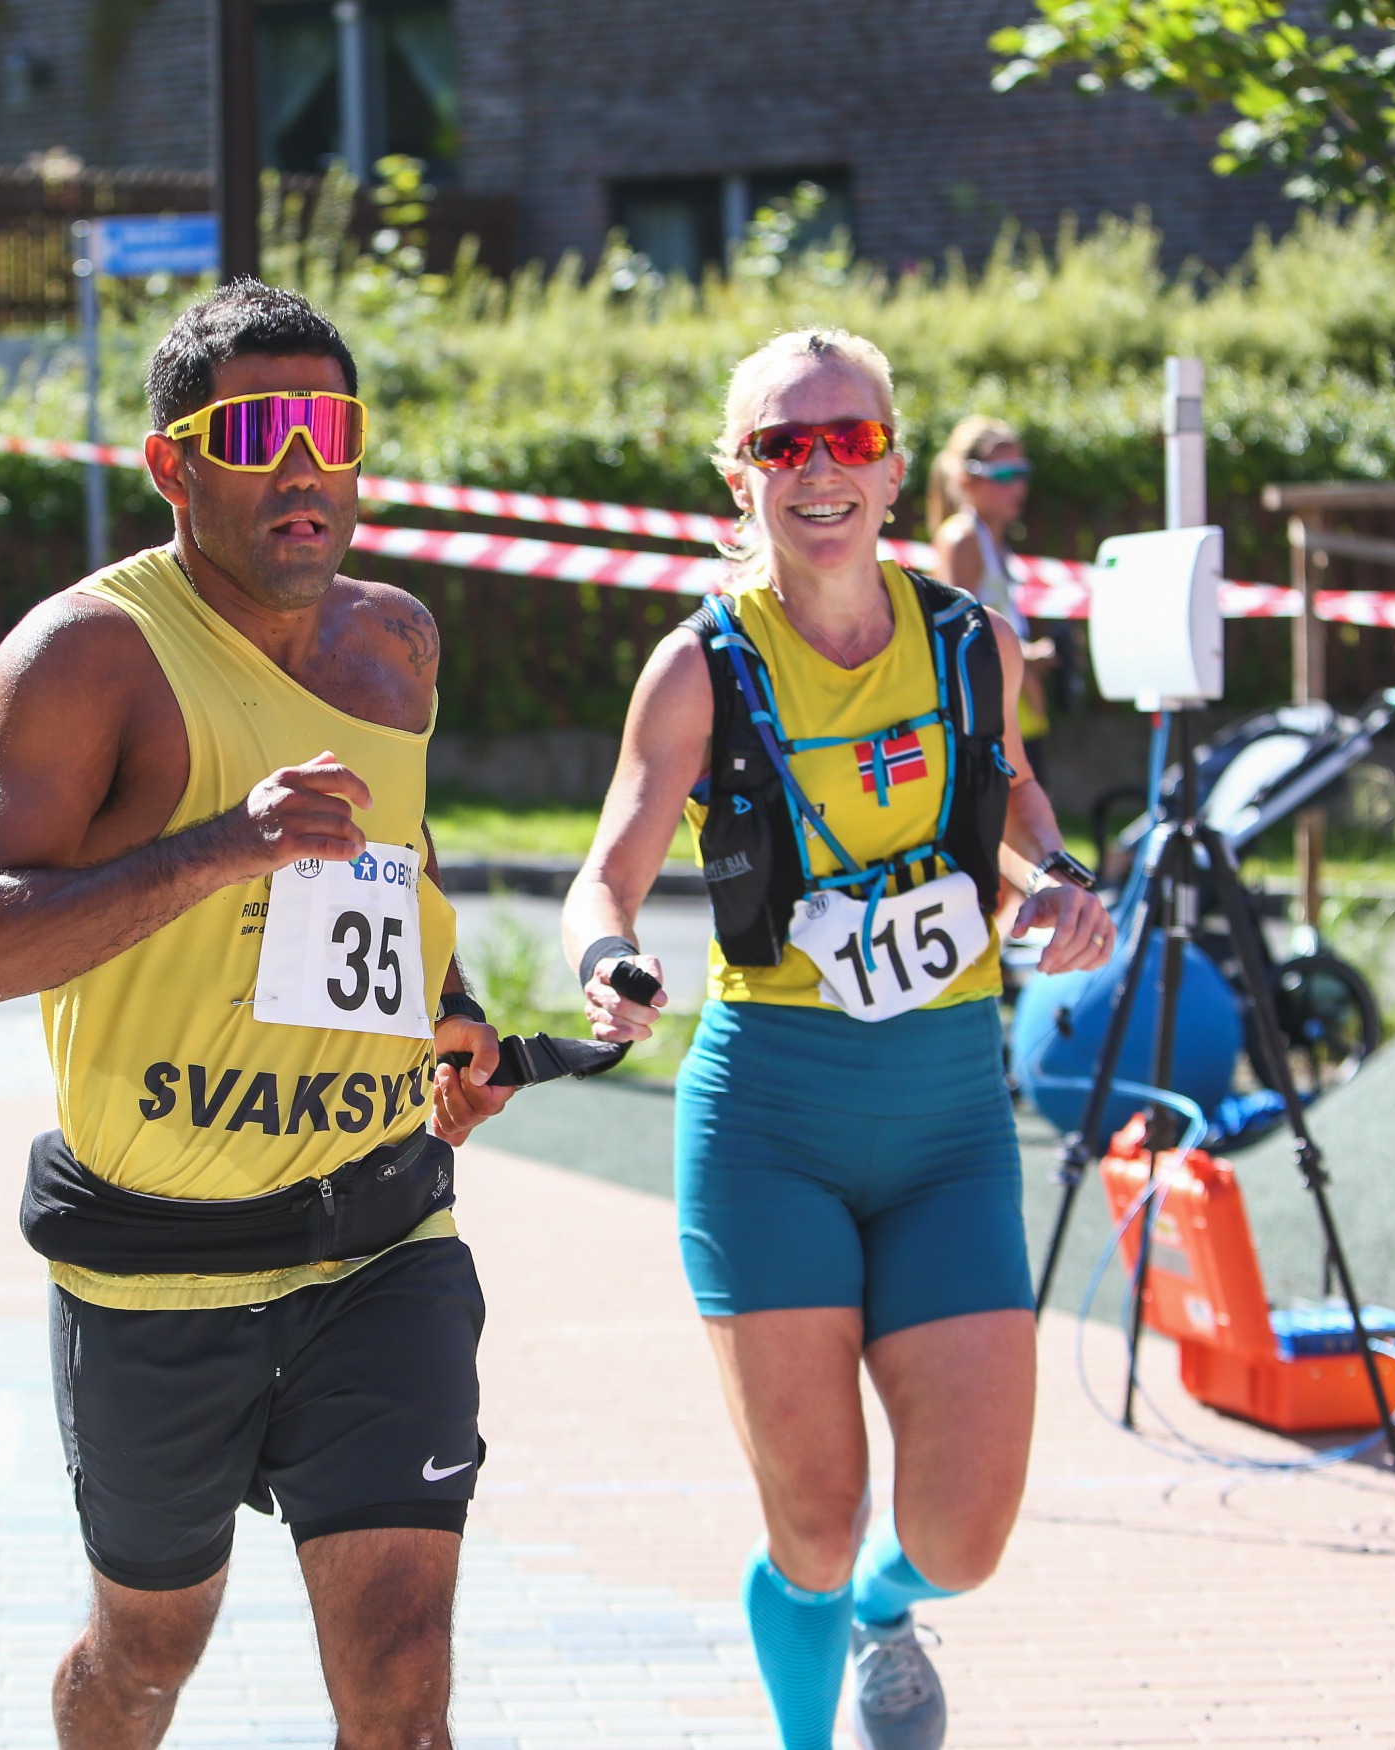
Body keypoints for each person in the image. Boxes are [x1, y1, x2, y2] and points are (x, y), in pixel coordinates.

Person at [0, 279, 513, 1750]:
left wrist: (449, 1008)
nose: (303, 465)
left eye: (332, 428)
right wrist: (215, 849)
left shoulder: (395, 643)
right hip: (156, 1267)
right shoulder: (88, 653)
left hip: (379, 1235)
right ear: (172, 465)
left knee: (404, 1684)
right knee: (144, 1657)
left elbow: (396, 866)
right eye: (257, 433)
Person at [561, 330, 1113, 1750]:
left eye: (849, 438)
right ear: (738, 478)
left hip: (946, 1123)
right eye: (782, 443)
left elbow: (1014, 803)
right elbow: (605, 873)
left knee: (964, 1537)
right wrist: (610, 961)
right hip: (772, 1126)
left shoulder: (970, 640)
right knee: (811, 1522)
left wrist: (1056, 881)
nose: (819, 467)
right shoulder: (699, 667)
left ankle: (887, 1607)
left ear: (892, 463)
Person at [926, 416, 1055, 787]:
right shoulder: (962, 540)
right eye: (1003, 475)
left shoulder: (993, 540)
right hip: (989, 723)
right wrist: (1027, 655)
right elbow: (956, 641)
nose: (1017, 486)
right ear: (967, 479)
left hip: (1013, 717)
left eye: (1022, 473)